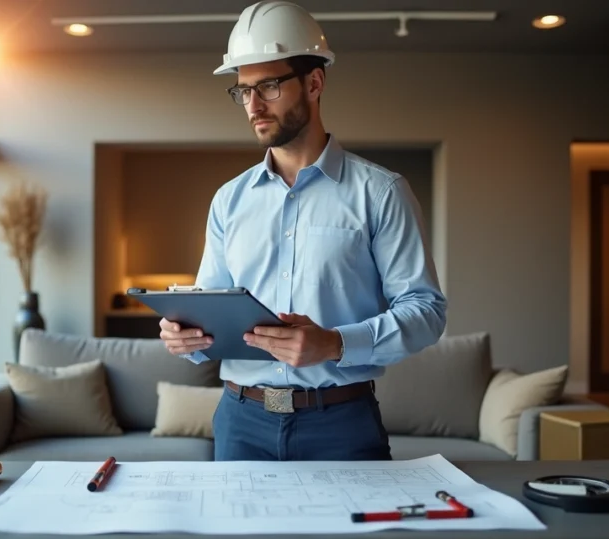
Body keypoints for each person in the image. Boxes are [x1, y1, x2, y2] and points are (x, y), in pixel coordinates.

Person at [158, 0, 447, 461]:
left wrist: (335, 342)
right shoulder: (229, 200)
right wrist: (186, 337)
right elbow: (212, 306)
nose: (253, 105)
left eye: (268, 86)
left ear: (314, 83)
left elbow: (426, 311)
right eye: (243, 90)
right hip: (240, 420)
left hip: (342, 423)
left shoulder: (381, 192)